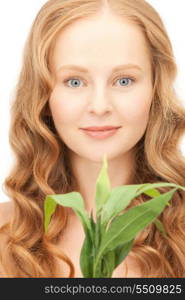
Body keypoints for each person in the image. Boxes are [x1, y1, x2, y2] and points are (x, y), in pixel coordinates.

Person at [0, 0, 185, 278]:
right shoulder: (6, 234)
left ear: (155, 89)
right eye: (75, 81)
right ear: (43, 94)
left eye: (124, 80)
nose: (100, 106)